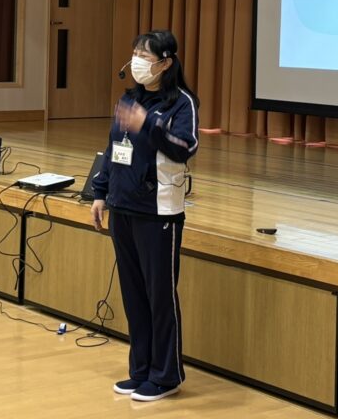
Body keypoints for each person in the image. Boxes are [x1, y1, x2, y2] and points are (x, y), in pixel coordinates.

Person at [89, 29, 199, 402]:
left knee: (159, 296)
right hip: (123, 206)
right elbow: (113, 148)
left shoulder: (182, 103)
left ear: (165, 63)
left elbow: (184, 147)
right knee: (134, 295)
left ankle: (166, 376)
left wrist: (148, 124)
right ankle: (141, 371)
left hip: (158, 211)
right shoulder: (129, 99)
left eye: (145, 55)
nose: (137, 60)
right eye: (135, 52)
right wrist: (100, 192)